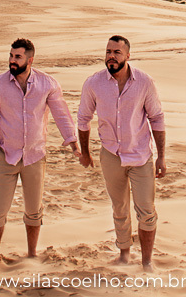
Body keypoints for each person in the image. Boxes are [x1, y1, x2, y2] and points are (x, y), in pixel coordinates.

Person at [0, 38, 79, 272]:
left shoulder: (47, 84)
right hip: (6, 155)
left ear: (30, 60)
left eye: (18, 57)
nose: (12, 61)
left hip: (35, 156)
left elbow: (61, 113)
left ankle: (32, 254)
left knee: (34, 210)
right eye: (11, 56)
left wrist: (73, 142)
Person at [77, 35, 166, 271]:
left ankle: (146, 262)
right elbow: (83, 119)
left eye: (117, 52)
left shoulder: (144, 82)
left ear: (128, 56)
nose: (111, 56)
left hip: (140, 156)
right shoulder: (93, 83)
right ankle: (124, 254)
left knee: (146, 210)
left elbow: (156, 118)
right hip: (111, 155)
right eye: (108, 51)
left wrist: (161, 156)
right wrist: (85, 152)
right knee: (119, 208)